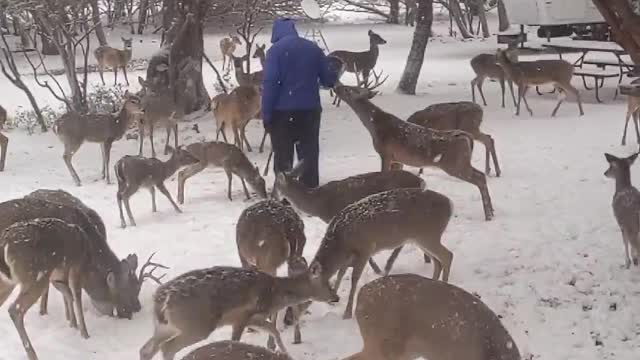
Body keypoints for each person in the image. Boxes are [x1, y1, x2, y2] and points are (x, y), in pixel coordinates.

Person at [262, 18, 340, 188]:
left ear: (276, 33)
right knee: (309, 153)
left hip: (282, 113)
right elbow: (328, 80)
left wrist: (266, 116)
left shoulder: (275, 52)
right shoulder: (312, 48)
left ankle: (284, 193)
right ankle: (310, 191)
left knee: (283, 155)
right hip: (309, 110)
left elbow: (270, 84)